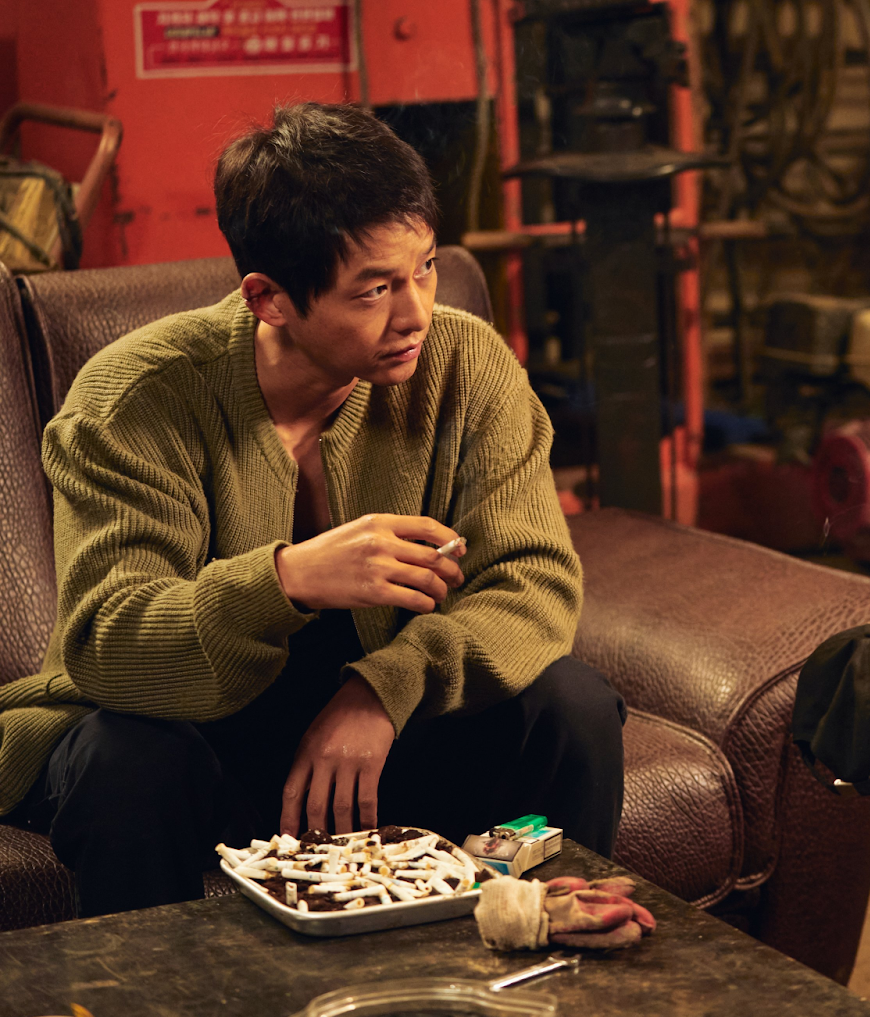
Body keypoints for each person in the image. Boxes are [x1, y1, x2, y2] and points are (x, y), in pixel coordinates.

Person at [0, 102, 625, 918]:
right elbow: (108, 644)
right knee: (127, 763)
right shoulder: (138, 398)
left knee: (571, 706)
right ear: (269, 298)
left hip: (377, 738)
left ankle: (543, 945)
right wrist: (290, 579)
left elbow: (534, 581)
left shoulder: (465, 364)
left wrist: (383, 691)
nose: (416, 312)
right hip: (198, 738)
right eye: (375, 289)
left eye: (425, 268)